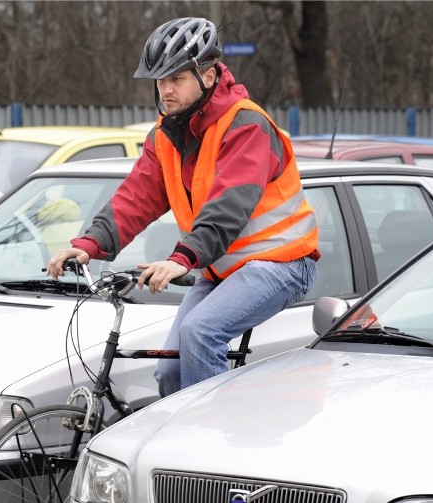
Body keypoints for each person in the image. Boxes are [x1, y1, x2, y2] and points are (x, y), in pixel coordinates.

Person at [45, 16, 319, 397]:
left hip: (281, 264)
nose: (166, 90)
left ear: (207, 77)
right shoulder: (166, 133)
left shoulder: (246, 125)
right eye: (160, 80)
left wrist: (182, 257)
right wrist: (90, 243)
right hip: (221, 269)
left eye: (176, 79)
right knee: (170, 369)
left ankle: (201, 446)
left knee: (201, 332)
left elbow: (229, 204)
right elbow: (137, 196)